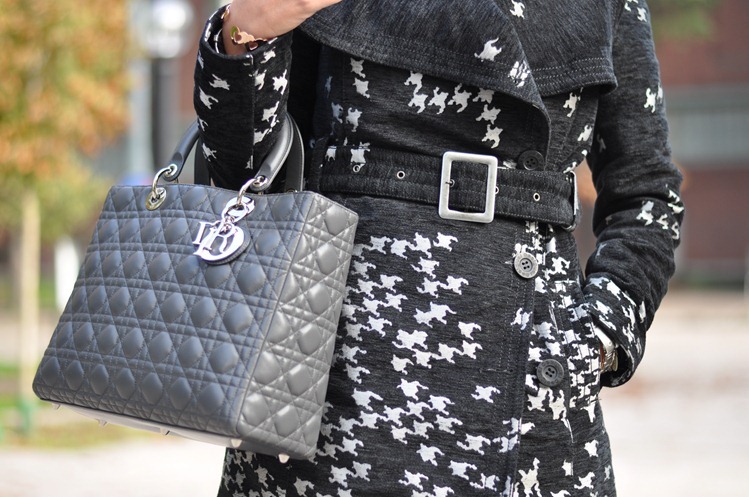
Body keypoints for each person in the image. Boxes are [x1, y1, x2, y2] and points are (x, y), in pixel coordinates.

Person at [193, 0, 684, 495]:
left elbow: (647, 195)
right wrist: (245, 34)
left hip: (534, 393)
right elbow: (247, 181)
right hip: (332, 375)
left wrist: (596, 339)